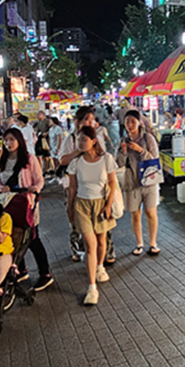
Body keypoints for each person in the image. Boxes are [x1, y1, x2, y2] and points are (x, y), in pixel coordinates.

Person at [0, 128, 53, 291]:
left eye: (12, 139)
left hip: (27, 204)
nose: (8, 143)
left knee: (32, 238)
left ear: (19, 140)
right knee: (13, 238)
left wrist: (35, 188)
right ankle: (21, 269)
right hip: (8, 205)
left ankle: (45, 273)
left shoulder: (29, 159)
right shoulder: (1, 160)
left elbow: (39, 179)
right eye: (6, 140)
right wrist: (0, 189)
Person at [66, 126, 119, 305]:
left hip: (101, 203)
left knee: (101, 241)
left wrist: (108, 205)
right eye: (79, 140)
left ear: (94, 141)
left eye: (84, 139)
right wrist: (70, 207)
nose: (80, 143)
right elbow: (72, 187)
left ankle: (99, 266)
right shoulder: (76, 162)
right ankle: (91, 288)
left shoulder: (106, 159)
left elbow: (112, 183)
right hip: (81, 204)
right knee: (90, 244)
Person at [57, 106, 116, 263]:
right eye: (86, 120)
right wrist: (80, 149)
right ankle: (77, 249)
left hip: (98, 187)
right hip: (74, 185)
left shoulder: (97, 136)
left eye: (92, 120)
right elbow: (62, 160)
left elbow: (103, 157)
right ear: (77, 122)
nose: (90, 123)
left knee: (103, 221)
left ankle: (107, 251)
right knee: (76, 220)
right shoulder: (71, 139)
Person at [117, 110, 162, 256]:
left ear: (139, 122)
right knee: (135, 214)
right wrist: (123, 152)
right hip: (132, 181)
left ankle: (153, 243)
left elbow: (155, 159)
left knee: (150, 211)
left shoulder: (148, 138)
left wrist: (140, 150)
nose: (130, 125)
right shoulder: (123, 140)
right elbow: (119, 164)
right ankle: (139, 244)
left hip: (149, 180)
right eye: (127, 122)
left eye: (132, 121)